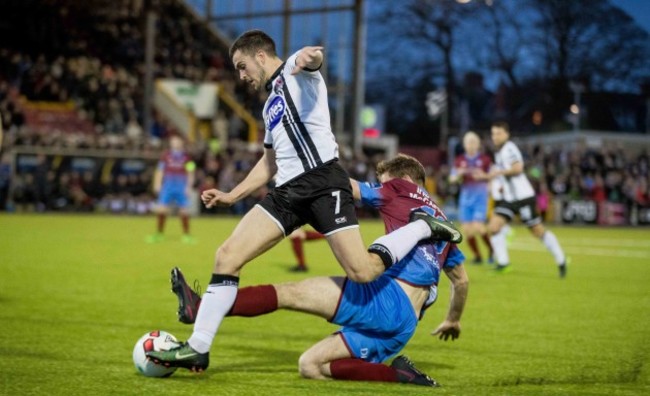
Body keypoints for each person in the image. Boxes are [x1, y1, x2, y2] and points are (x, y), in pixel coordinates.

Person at [145, 30, 462, 372]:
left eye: (242, 66)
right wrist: (231, 194)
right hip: (287, 193)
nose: (241, 75)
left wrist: (307, 58)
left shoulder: (300, 76)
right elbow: (269, 162)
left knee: (362, 271)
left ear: (261, 56)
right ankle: (198, 348)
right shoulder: (270, 106)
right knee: (227, 255)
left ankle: (419, 228)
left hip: (324, 183)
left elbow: (311, 60)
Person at [160, 154, 468, 387]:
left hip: (383, 300)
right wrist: (452, 319)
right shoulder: (446, 227)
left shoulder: (399, 189)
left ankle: (201, 308)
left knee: (287, 293)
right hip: (403, 326)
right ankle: (399, 375)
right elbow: (461, 282)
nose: (381, 187)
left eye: (384, 181)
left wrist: (298, 166)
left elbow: (342, 186)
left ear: (402, 179)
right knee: (311, 365)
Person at [480, 121, 567, 277]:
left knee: (537, 231)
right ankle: (503, 263)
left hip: (523, 198)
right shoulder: (499, 152)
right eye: (493, 133)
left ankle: (561, 259)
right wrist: (486, 177)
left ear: (506, 134)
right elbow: (501, 173)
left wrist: (498, 174)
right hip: (509, 199)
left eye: (499, 133)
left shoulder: (509, 148)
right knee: (493, 227)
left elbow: (518, 168)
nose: (495, 137)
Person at [449, 131, 494, 264]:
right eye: (469, 142)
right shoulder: (459, 161)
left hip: (480, 198)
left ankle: (492, 250)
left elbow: (492, 175)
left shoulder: (485, 160)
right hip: (465, 199)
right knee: (467, 231)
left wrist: (484, 177)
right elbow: (451, 179)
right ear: (464, 144)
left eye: (474, 142)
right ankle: (478, 256)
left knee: (479, 227)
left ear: (478, 144)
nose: (471, 145)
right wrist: (458, 175)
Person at [147, 135, 196, 244]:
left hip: (181, 186)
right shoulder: (165, 156)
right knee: (161, 209)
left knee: (184, 210)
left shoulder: (187, 157)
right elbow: (160, 170)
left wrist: (189, 186)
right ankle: (159, 234)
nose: (175, 143)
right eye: (173, 141)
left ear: (181, 143)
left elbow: (191, 172)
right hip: (168, 186)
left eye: (177, 141)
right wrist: (157, 183)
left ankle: (187, 235)